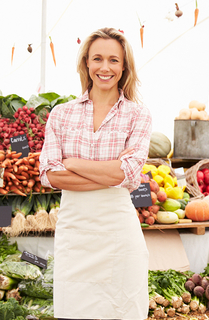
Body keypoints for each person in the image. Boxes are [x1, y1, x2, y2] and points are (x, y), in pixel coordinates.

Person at [39, 27, 152, 320]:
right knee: (73, 308)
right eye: (97, 59)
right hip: (75, 233)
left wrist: (73, 162)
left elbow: (129, 174)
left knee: (123, 308)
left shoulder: (138, 115)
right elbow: (50, 175)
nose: (105, 67)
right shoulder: (61, 114)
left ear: (124, 66)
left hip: (118, 232)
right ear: (86, 64)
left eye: (114, 60)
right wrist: (111, 170)